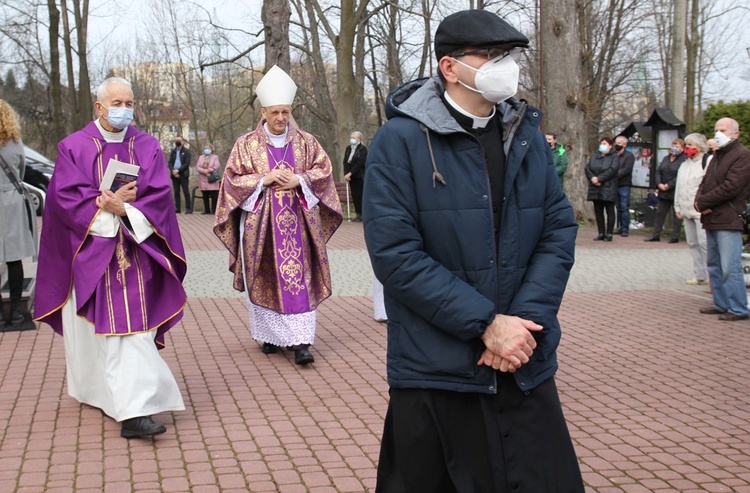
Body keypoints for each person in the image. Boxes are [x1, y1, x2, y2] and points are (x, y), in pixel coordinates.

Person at [363, 10, 584, 492]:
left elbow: (557, 230)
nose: (506, 66)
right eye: (491, 55)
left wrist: (522, 324)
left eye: (510, 56)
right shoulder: (399, 142)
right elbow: (395, 255)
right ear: (450, 66)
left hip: (522, 361)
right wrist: (486, 324)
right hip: (440, 370)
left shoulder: (525, 135)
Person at [33, 77, 188, 438]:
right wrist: (103, 208)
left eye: (130, 103)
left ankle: (135, 408)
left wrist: (124, 209)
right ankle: (114, 400)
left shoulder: (147, 145)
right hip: (93, 253)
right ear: (99, 107)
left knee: (132, 331)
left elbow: (161, 195)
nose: (124, 110)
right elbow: (63, 200)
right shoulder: (73, 146)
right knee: (106, 333)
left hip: (138, 249)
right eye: (117, 102)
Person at [213, 66, 342, 365]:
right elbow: (231, 181)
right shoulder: (245, 144)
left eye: (285, 112)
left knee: (299, 279)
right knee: (264, 275)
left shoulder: (307, 142)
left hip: (300, 225)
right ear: (263, 111)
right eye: (275, 112)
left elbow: (324, 171)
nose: (281, 118)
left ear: (291, 110)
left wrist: (301, 180)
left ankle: (301, 343)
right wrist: (263, 180)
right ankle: (269, 336)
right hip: (260, 225)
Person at [695, 117, 750, 321]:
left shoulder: (742, 156)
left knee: (730, 267)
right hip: (712, 218)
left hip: (728, 218)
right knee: (714, 265)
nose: (718, 133)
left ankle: (738, 308)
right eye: (717, 129)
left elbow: (731, 187)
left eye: (723, 130)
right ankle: (721, 303)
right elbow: (706, 182)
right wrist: (698, 201)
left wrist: (703, 202)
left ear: (735, 133)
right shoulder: (717, 155)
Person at [0, 100, 36, 331]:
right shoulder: (16, 142)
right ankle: (14, 312)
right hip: (13, 201)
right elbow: (21, 172)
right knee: (14, 260)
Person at [674, 133, 710, 286]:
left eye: (691, 145)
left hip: (700, 210)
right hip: (686, 208)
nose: (687, 148)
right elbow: (679, 186)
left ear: (700, 147)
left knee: (704, 243)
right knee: (692, 243)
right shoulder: (684, 164)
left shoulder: (707, 162)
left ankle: (712, 275)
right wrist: (677, 205)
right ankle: (699, 274)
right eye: (686, 145)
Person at [645, 138, 686, 242]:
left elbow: (681, 175)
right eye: (673, 145)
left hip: (676, 191)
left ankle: (675, 236)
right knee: (660, 214)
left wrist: (669, 185)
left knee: (676, 215)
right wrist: (659, 184)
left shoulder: (684, 160)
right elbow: (658, 171)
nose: (674, 148)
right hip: (663, 191)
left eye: (678, 146)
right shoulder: (666, 158)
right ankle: (655, 234)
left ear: (682, 149)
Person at [585, 136, 620, 241]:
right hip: (595, 187)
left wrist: (600, 179)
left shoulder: (614, 156)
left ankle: (609, 233)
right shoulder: (595, 155)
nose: (602, 145)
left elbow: (612, 170)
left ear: (610, 146)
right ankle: (601, 232)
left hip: (608, 186)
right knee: (598, 210)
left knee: (609, 210)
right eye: (601, 143)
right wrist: (593, 178)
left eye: (605, 144)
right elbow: (587, 168)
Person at [343, 131, 367, 222]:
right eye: (351, 137)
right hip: (350, 176)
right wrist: (346, 173)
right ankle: (357, 213)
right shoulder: (348, 148)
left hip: (359, 176)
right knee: (354, 195)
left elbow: (360, 163)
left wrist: (351, 173)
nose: (352, 139)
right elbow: (345, 161)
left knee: (360, 194)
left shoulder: (363, 149)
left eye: (354, 138)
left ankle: (362, 214)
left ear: (359, 139)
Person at [615, 135, 635, 236]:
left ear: (624, 145)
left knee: (624, 207)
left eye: (619, 143)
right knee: (618, 207)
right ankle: (619, 226)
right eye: (616, 142)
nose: (617, 145)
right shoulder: (613, 155)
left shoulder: (629, 156)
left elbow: (626, 169)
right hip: (614, 185)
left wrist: (614, 175)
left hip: (624, 184)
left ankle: (625, 228)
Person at [168, 136, 192, 214]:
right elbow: (170, 162)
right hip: (174, 175)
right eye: (176, 140)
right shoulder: (173, 151)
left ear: (182, 141)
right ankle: (177, 208)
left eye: (179, 140)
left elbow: (187, 163)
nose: (177, 141)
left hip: (183, 174)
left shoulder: (186, 151)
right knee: (176, 192)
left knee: (186, 191)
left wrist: (178, 171)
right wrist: (173, 171)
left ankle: (188, 208)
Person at [196, 143, 221, 214]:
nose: (207, 150)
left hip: (211, 178)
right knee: (205, 195)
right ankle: (206, 210)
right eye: (205, 148)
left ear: (211, 149)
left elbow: (216, 166)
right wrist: (204, 171)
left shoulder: (215, 157)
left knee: (214, 195)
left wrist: (209, 170)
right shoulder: (201, 157)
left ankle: (214, 210)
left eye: (208, 148)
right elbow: (198, 167)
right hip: (203, 178)